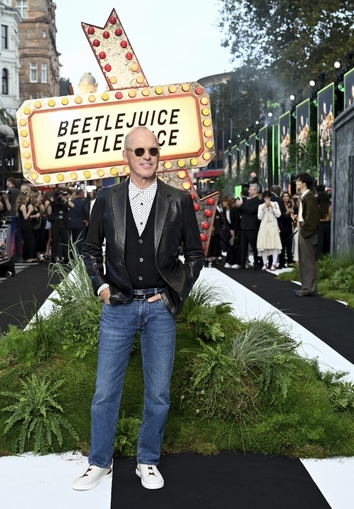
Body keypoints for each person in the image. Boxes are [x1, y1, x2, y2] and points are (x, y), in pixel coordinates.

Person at [76, 126, 204, 491]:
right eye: (140, 151)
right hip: (117, 307)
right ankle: (99, 462)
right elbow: (90, 248)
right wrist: (101, 286)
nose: (148, 156)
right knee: (105, 391)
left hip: (160, 307)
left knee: (159, 392)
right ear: (126, 156)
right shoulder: (107, 198)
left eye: (153, 150)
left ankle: (147, 460)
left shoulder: (178, 199)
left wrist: (173, 294)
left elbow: (195, 255)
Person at [295, 173, 319, 296]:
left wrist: (304, 231)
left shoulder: (309, 198)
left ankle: (309, 288)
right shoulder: (305, 197)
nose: (296, 182)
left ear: (304, 182)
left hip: (307, 232)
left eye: (298, 180)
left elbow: (312, 218)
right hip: (304, 230)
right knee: (303, 260)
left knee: (308, 261)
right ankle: (306, 287)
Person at [234, 183, 262, 269]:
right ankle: (242, 263)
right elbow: (244, 210)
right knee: (243, 246)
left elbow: (251, 210)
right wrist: (239, 206)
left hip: (252, 227)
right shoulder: (248, 200)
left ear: (255, 191)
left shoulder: (257, 201)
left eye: (251, 189)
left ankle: (256, 263)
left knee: (254, 246)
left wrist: (241, 205)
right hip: (244, 226)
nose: (249, 191)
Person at [257, 190, 282, 270]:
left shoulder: (275, 204)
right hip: (264, 226)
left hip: (273, 226)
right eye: (265, 198)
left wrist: (271, 206)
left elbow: (278, 214)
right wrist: (263, 208)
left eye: (268, 197)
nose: (267, 199)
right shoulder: (260, 206)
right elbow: (259, 217)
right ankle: (265, 263)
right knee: (264, 245)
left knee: (275, 245)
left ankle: (274, 263)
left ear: (270, 198)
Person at [67, 189, 90, 254]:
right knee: (80, 240)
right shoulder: (84, 202)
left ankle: (71, 254)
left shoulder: (71, 202)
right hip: (81, 223)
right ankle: (79, 254)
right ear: (81, 194)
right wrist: (87, 219)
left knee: (72, 240)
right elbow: (86, 211)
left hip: (71, 223)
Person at [278, 191, 295, 268]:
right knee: (282, 245)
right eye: (284, 196)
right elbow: (282, 216)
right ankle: (281, 262)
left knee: (289, 245)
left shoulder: (290, 205)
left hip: (289, 227)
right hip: (282, 227)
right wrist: (287, 212)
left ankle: (290, 261)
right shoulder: (280, 206)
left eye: (287, 196)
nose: (285, 198)